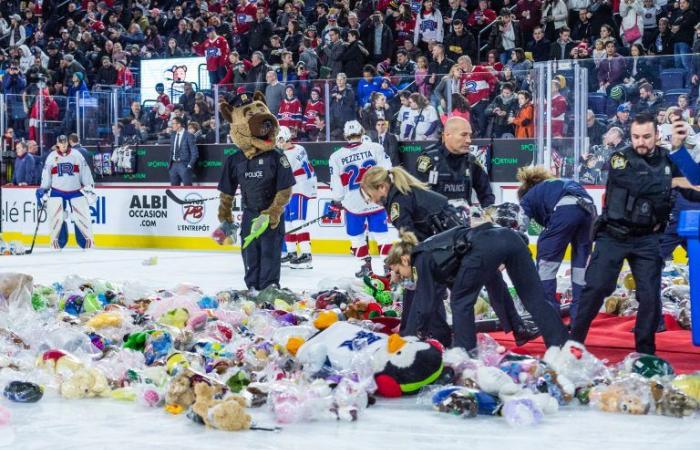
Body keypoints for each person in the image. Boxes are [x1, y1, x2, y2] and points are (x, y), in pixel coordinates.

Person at [361, 166, 541, 346]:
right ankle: (516, 328)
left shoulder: (398, 202)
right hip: (454, 240)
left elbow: (410, 238)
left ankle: (417, 339)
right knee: (489, 279)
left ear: (382, 187)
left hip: (448, 247)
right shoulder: (406, 192)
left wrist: (400, 264)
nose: (371, 200)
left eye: (370, 195)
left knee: (428, 292)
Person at [571, 113, 682, 355]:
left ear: (657, 136)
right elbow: (640, 184)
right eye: (636, 137)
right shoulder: (620, 158)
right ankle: (572, 344)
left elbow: (691, 184)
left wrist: (680, 158)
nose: (640, 142)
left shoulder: (668, 160)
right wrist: (671, 181)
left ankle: (645, 354)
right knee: (597, 288)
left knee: (650, 297)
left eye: (646, 137)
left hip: (648, 238)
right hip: (613, 234)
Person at [385, 223, 569, 352]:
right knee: (534, 299)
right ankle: (562, 346)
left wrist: (410, 339)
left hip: (485, 246)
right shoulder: (435, 255)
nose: (402, 278)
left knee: (460, 302)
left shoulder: (421, 257)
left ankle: (466, 355)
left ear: (404, 259)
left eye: (399, 272)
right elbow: (490, 283)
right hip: (510, 238)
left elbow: (424, 305)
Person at [214, 93, 296, 292]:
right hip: (249, 213)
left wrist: (273, 212)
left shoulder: (277, 156)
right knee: (250, 252)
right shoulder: (234, 160)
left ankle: (269, 289)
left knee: (270, 252)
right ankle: (251, 288)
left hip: (271, 216)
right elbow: (227, 192)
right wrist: (225, 218)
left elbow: (285, 189)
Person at [517, 167, 595, 319]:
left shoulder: (528, 196)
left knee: (546, 264)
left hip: (564, 209)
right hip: (589, 209)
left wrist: (512, 243)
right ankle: (579, 318)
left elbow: (520, 223)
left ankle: (550, 317)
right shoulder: (558, 184)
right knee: (581, 268)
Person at [327, 120, 393, 277]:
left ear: (345, 135)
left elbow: (337, 187)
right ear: (362, 132)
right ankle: (388, 267)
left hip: (353, 204)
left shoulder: (336, 156)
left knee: (356, 237)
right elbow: (388, 170)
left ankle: (365, 266)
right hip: (376, 200)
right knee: (382, 236)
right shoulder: (376, 148)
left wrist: (337, 200)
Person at [35, 135, 96, 249]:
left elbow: (85, 171)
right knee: (57, 217)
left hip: (75, 190)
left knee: (80, 216)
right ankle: (59, 242)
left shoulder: (76, 155)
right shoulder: (51, 157)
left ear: (68, 143)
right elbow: (46, 174)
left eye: (65, 143)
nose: (63, 146)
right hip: (57, 191)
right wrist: (43, 188)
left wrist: (89, 186)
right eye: (61, 143)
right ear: (57, 144)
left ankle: (85, 242)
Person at [277, 126, 317, 269]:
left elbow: (281, 175)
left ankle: (306, 255)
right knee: (288, 223)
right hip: (293, 190)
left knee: (297, 222)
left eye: (280, 139)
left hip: (299, 190)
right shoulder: (299, 148)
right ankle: (292, 253)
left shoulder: (287, 156)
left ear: (286, 137)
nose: (278, 142)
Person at [169, 117, 198, 186]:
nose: (172, 125)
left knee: (187, 189)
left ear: (179, 124)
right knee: (174, 190)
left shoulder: (189, 135)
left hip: (184, 165)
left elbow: (195, 153)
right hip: (173, 165)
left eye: (173, 123)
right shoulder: (173, 135)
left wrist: (189, 165)